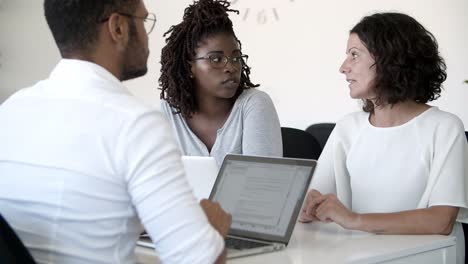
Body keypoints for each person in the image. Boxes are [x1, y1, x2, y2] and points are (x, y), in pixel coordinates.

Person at [0, 0, 232, 263]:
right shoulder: (135, 123)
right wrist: (210, 229)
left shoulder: (10, 110)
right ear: (118, 27)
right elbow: (200, 259)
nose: (146, 37)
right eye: (144, 21)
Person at [299, 12, 468, 263]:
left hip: (426, 257)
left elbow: (441, 220)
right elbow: (311, 199)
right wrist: (306, 206)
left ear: (391, 59)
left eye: (354, 54)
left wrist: (353, 220)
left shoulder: (444, 127)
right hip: (357, 256)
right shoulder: (348, 127)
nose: (343, 67)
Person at [159, 0, 282, 166]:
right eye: (216, 59)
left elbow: (262, 185)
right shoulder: (165, 114)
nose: (230, 67)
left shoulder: (254, 104)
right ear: (190, 67)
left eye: (236, 58)